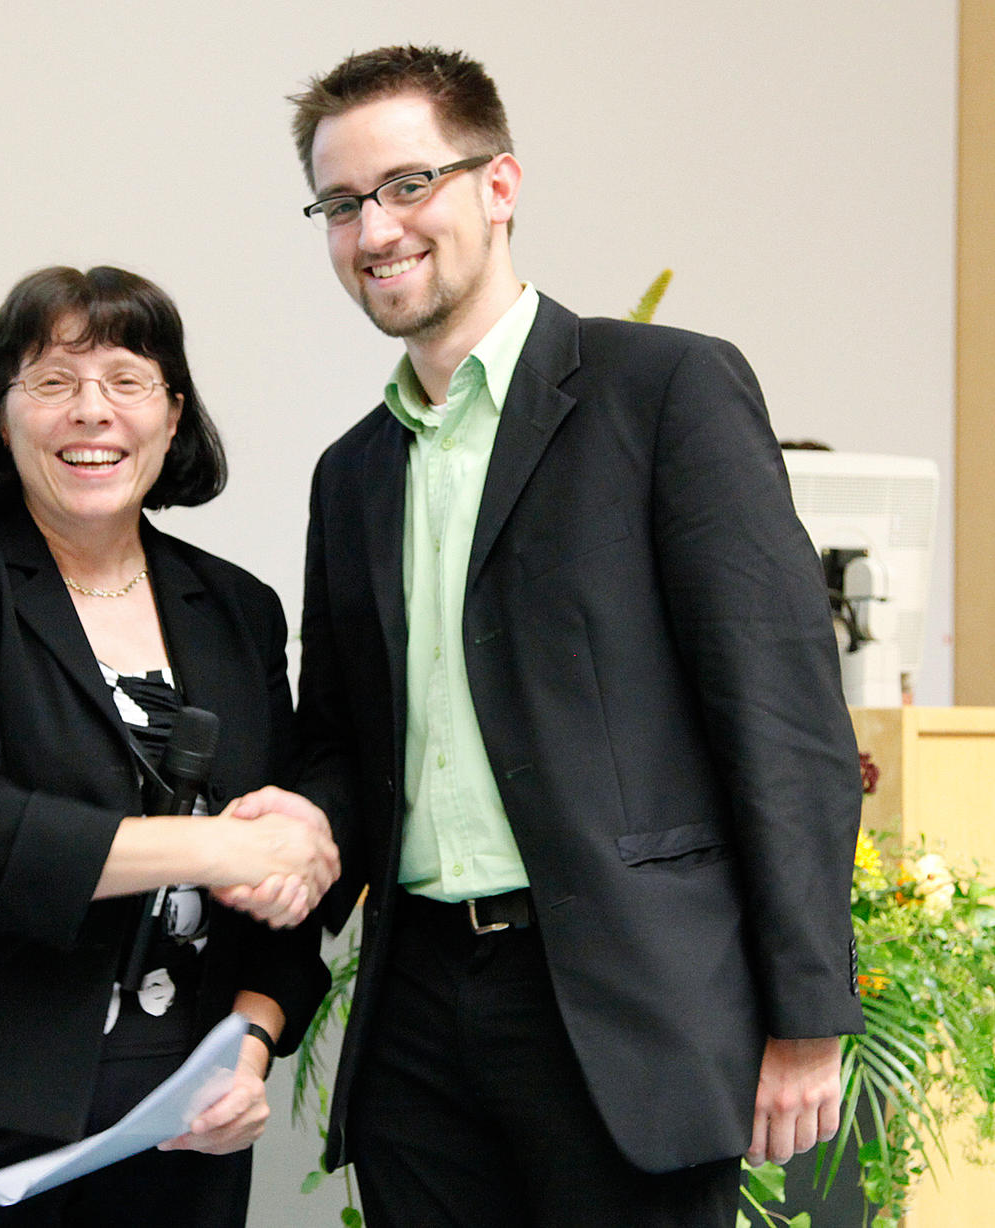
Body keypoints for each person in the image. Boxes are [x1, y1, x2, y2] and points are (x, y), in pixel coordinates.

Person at [277, 44, 865, 1227]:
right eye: (340, 204)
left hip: (620, 1005)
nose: (374, 230)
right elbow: (342, 739)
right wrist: (283, 828)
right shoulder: (353, 473)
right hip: (416, 1017)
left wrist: (808, 1014)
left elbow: (780, 711)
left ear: (498, 184)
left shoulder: (663, 391)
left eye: (406, 185)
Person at [0, 265, 339, 1227]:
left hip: (175, 1116)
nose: (92, 411)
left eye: (128, 380)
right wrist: (217, 846)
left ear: (172, 417)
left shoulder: (236, 608)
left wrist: (250, 1045)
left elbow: (280, 879)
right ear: (1, 414)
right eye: (53, 381)